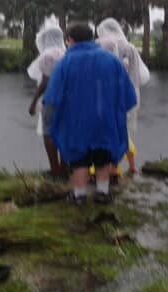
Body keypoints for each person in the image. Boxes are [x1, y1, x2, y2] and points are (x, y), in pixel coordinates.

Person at [43, 22, 137, 204]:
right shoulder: (111, 60)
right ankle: (103, 193)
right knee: (102, 157)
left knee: (79, 159)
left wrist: (51, 120)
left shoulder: (65, 63)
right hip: (105, 120)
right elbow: (127, 94)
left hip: (76, 121)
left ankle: (79, 195)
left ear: (70, 40)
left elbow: (52, 96)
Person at [96, 18, 150, 174]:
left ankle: (113, 169)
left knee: (109, 133)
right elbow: (142, 75)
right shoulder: (130, 47)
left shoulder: (102, 46)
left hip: (109, 97)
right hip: (131, 95)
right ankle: (131, 166)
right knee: (122, 130)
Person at [27, 25, 67, 178]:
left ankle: (54, 170)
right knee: (63, 133)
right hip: (67, 100)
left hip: (51, 99)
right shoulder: (67, 53)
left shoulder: (47, 56)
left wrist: (34, 101)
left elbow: (45, 82)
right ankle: (64, 168)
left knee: (48, 134)